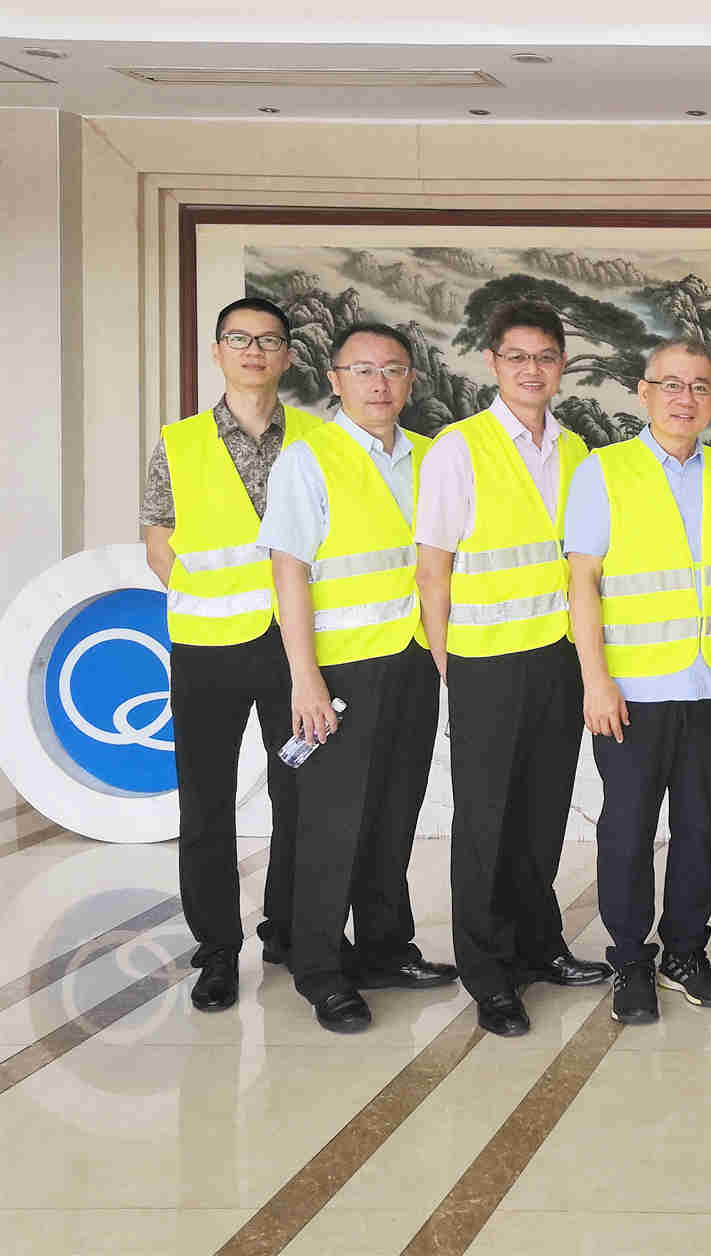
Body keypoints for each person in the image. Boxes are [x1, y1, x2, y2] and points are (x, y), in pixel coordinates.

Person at [415, 300, 611, 1039]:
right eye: (518, 357)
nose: (533, 370)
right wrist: (449, 664)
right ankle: (488, 972)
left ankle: (539, 945)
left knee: (542, 813)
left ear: (562, 366)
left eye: (546, 357)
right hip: (485, 663)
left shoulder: (576, 450)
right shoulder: (458, 449)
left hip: (558, 658)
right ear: (493, 363)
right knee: (485, 822)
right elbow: (432, 570)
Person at [565, 339, 711, 1025]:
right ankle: (630, 958)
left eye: (700, 387)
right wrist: (595, 680)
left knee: (698, 829)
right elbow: (583, 581)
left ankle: (684, 951)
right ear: (644, 392)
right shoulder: (603, 471)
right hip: (632, 693)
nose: (686, 398)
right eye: (672, 384)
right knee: (627, 831)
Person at [259, 322, 455, 1032]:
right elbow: (289, 572)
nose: (379, 384)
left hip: (414, 660)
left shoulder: (433, 458)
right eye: (363, 370)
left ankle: (385, 949)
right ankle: (319, 968)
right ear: (335, 380)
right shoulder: (307, 459)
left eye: (393, 370)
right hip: (339, 669)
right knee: (331, 823)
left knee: (394, 813)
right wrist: (303, 678)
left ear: (411, 380)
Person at [143, 297, 321, 1012]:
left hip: (295, 648)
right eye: (239, 339)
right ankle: (217, 950)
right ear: (218, 351)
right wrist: (211, 599)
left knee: (301, 792)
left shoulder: (317, 437)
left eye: (268, 340)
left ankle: (288, 928)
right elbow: (159, 539)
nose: (254, 351)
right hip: (206, 648)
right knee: (207, 803)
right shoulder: (178, 442)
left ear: (288, 356)